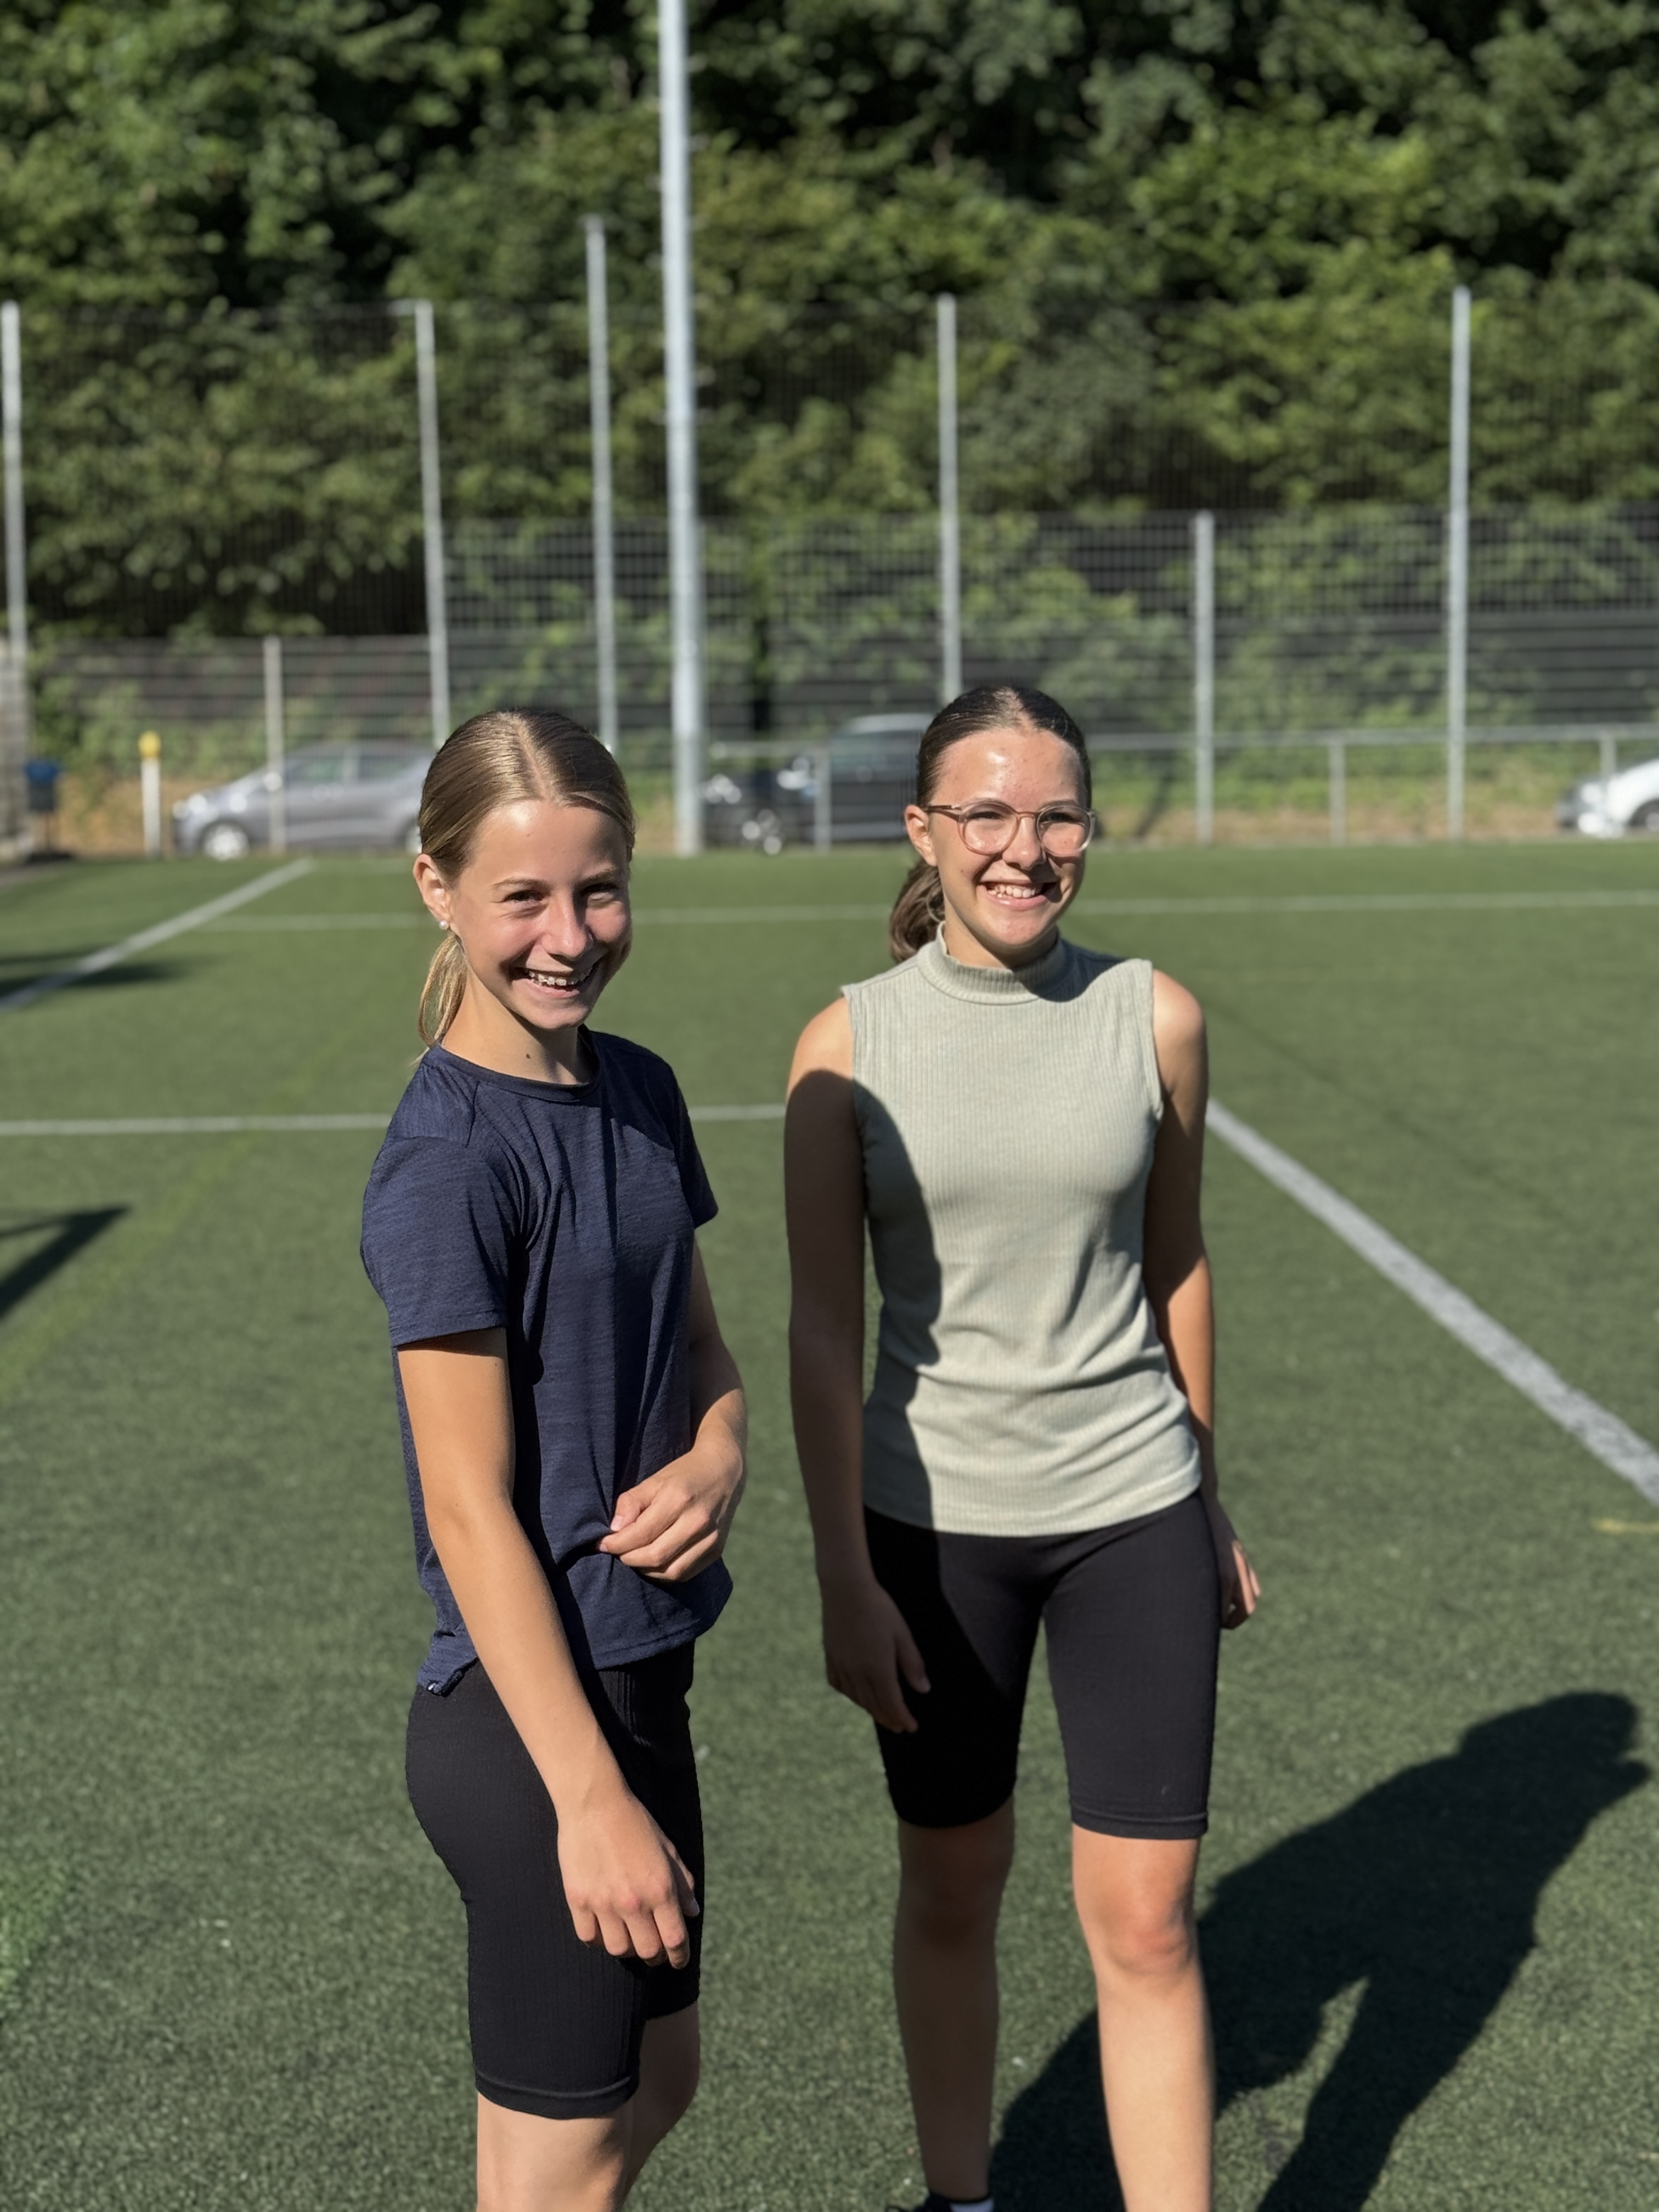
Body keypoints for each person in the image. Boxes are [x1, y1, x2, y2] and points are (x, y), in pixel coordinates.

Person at [784, 685, 1258, 2212]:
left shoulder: (1157, 1017)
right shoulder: (845, 1045)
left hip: (1135, 1510)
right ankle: (962, 2198)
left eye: (1057, 815)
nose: (1024, 848)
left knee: (1149, 1919)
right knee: (953, 1884)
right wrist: (844, 1575)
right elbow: (823, 1329)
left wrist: (1205, 1493)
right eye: (986, 814)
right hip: (932, 1532)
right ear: (922, 831)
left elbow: (1178, 1263)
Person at [360, 709, 747, 2212]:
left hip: (647, 1676)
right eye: (523, 898)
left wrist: (720, 1457)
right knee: (567, 2164)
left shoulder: (639, 1091)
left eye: (600, 891)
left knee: (662, 2080)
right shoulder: (449, 1159)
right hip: (531, 1728)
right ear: (438, 888)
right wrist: (587, 1800)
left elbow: (701, 1347)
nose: (569, 937)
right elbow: (466, 1509)